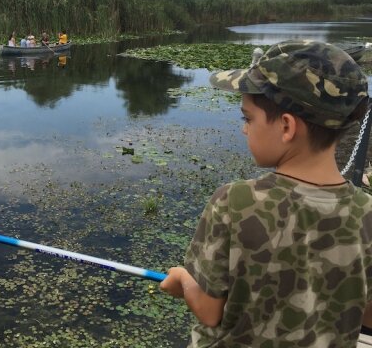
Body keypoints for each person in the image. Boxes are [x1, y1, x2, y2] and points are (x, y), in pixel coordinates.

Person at [159, 40, 372, 347]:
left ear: (286, 127)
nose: (245, 129)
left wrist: (182, 280)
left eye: (248, 119)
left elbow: (208, 311)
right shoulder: (366, 212)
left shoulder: (235, 203)